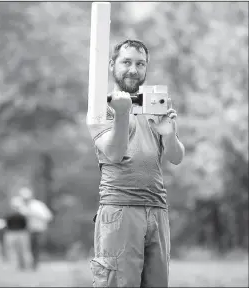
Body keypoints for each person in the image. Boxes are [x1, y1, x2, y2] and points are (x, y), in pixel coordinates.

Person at [87, 39, 185, 287]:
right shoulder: (101, 107)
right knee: (119, 283)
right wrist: (122, 113)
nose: (133, 69)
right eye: (126, 62)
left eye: (140, 63)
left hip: (157, 208)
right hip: (120, 208)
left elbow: (176, 157)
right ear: (112, 64)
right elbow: (114, 153)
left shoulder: (155, 103)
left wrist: (169, 133)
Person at [19, 187, 53, 270]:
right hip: (27, 231)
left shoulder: (37, 205)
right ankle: (27, 265)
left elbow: (48, 216)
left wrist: (33, 214)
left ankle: (35, 265)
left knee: (35, 248)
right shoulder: (23, 207)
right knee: (28, 249)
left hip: (38, 230)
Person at [4, 196, 33, 270]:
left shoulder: (18, 215)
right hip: (18, 234)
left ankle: (24, 266)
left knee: (22, 251)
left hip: (18, 234)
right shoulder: (20, 215)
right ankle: (18, 266)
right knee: (18, 251)